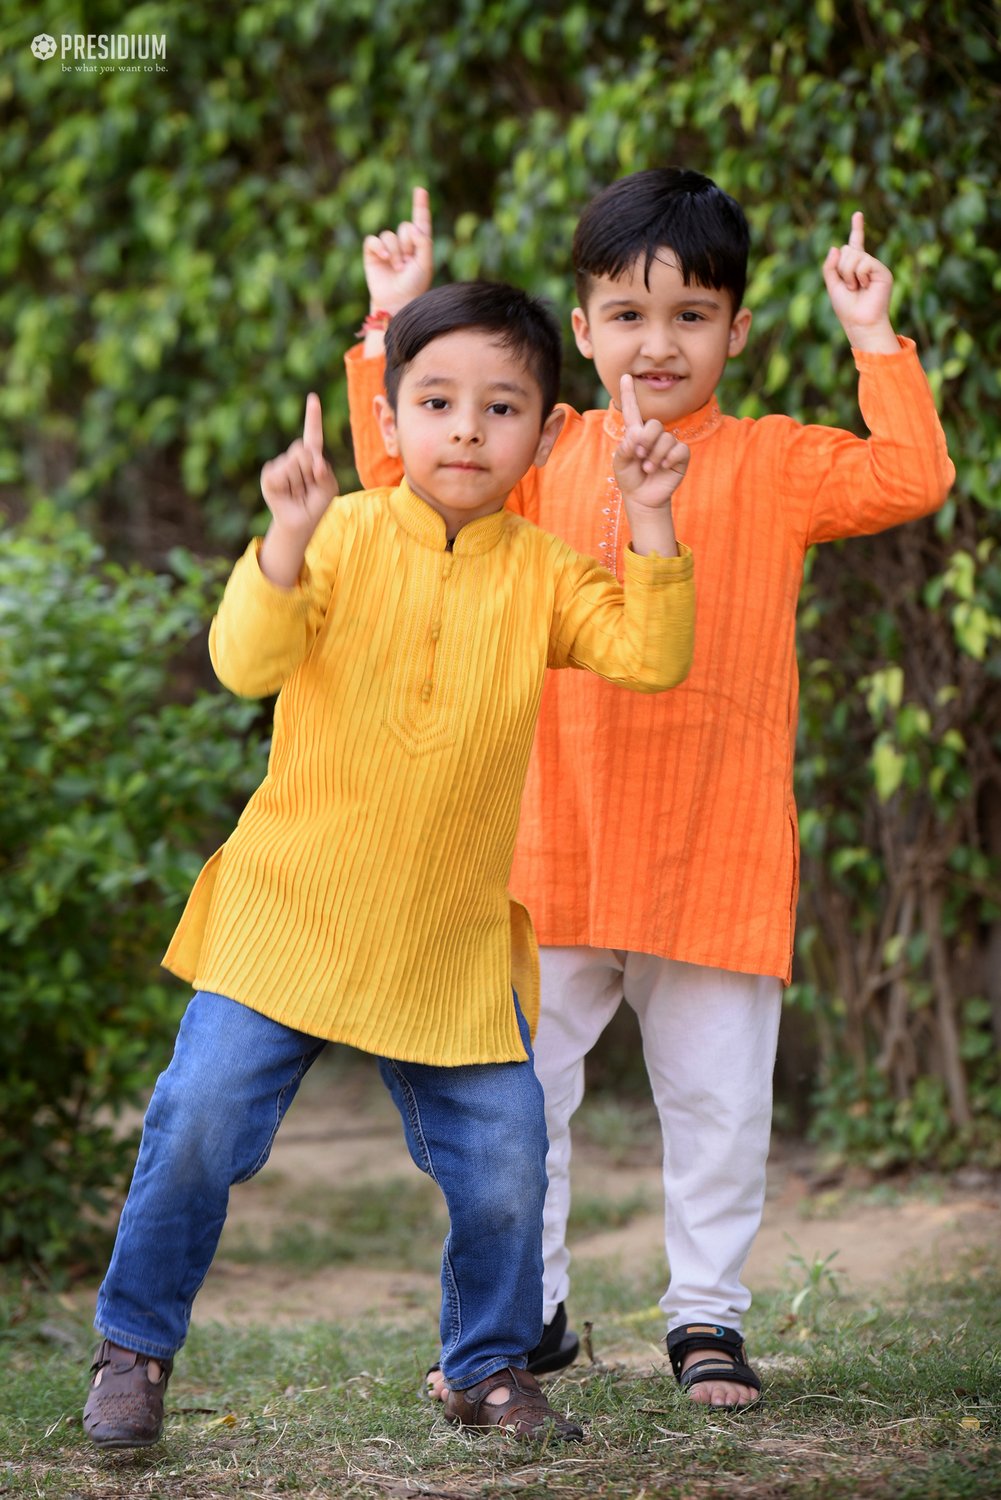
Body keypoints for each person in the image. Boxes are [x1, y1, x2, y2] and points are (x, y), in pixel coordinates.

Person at [346, 173, 955, 1408]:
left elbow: (909, 476)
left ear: (736, 329)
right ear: (580, 332)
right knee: (517, 1105)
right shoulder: (542, 449)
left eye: (689, 315)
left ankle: (705, 1322)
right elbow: (398, 471)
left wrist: (870, 334)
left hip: (711, 845)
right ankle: (526, 1317)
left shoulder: (776, 462)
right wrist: (391, 323)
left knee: (717, 1105)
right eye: (626, 314)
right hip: (547, 840)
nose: (656, 342)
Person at [81, 279, 697, 1450]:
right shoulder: (345, 533)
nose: (466, 428)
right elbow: (243, 661)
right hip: (289, 919)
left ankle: (485, 1368)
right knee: (199, 1119)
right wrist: (286, 539)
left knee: (512, 1158)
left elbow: (650, 657)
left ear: (549, 432)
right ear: (392, 415)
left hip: (444, 944)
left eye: (501, 406)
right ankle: (135, 1350)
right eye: (436, 401)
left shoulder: (546, 571)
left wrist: (650, 517)